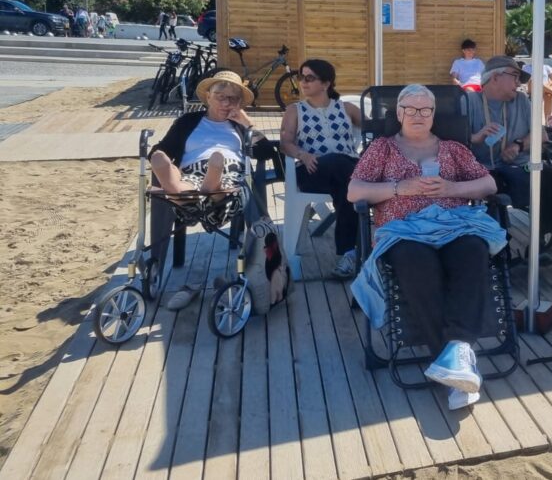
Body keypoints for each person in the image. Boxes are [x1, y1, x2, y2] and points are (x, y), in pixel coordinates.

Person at [348, 84, 501, 411]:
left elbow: (488, 184)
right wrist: (399, 188)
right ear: (399, 112)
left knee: (474, 250)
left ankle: (456, 353)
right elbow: (354, 191)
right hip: (405, 231)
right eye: (411, 109)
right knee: (417, 262)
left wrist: (451, 186)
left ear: (434, 114)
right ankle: (450, 358)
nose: (418, 115)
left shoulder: (453, 149)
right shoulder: (382, 148)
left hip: (453, 224)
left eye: (425, 110)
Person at [279, 59, 363, 277]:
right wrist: (303, 155)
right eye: (301, 77)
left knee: (347, 188)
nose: (303, 82)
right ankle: (357, 250)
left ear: (326, 84)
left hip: (346, 172)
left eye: (309, 78)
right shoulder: (295, 110)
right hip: (312, 169)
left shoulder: (346, 108)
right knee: (345, 171)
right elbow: (285, 143)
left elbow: (375, 128)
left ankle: (349, 254)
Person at [147, 71, 262, 224]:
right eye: (220, 96)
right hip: (191, 172)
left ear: (239, 102)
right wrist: (161, 157)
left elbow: (266, 152)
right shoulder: (188, 121)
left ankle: (210, 183)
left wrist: (248, 123)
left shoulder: (240, 126)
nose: (226, 103)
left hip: (230, 173)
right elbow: (162, 149)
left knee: (226, 184)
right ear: (208, 97)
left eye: (232, 98)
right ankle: (177, 186)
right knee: (183, 179)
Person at [466, 55, 533, 207]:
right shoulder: (470, 101)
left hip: (516, 166)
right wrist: (475, 137)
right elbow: (450, 141)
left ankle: (544, 230)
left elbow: (540, 135)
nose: (519, 83)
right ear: (495, 77)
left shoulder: (521, 100)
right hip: (480, 168)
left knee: (547, 177)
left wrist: (518, 145)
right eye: (515, 76)